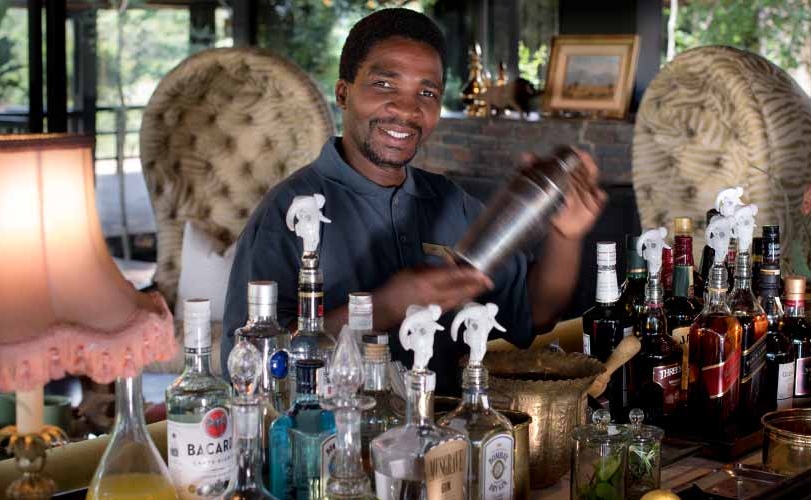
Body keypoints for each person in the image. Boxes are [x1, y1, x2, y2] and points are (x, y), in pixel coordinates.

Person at [222, 8, 607, 395]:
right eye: (384, 84)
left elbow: (536, 312)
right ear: (343, 93)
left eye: (427, 93)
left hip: (447, 429)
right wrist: (385, 307)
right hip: (337, 431)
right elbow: (253, 370)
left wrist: (566, 234)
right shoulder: (288, 212)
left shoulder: (451, 202)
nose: (407, 109)